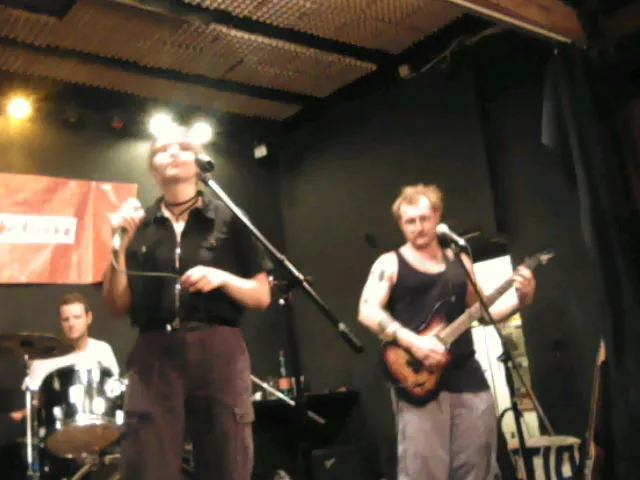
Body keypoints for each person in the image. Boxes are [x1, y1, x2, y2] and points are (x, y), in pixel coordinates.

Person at [102, 126, 272, 480]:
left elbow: (261, 295)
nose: (173, 152)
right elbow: (116, 305)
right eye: (162, 149)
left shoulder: (229, 217)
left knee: (227, 460)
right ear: (152, 168)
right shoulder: (139, 224)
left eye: (183, 146)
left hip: (218, 350)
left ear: (199, 162)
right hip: (154, 354)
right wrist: (119, 243)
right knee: (148, 465)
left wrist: (222, 278)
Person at [357, 183, 537, 480]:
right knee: (424, 472)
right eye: (410, 221)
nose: (418, 227)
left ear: (437, 216)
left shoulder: (460, 260)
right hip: (419, 379)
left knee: (477, 466)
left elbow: (482, 313)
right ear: (401, 224)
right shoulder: (389, 263)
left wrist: (521, 299)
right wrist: (413, 342)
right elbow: (367, 309)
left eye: (424, 218)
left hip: (467, 375)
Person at [9, 292, 119, 421]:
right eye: (66, 319)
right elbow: (35, 405)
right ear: (60, 322)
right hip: (58, 427)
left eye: (77, 317)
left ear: (89, 318)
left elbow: (114, 391)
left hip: (98, 424)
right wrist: (24, 413)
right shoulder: (42, 361)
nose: (71, 323)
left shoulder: (102, 350)